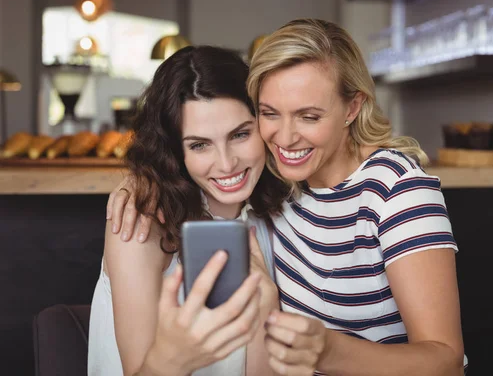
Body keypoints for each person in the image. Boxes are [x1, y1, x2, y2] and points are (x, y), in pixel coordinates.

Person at [110, 19, 467, 376]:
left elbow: (446, 362)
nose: (285, 138)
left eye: (309, 116)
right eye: (269, 114)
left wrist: (327, 351)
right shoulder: (281, 182)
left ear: (353, 107)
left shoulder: (394, 190)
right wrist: (143, 178)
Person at [88, 45, 287, 376]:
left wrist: (265, 312)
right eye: (199, 144)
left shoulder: (276, 211)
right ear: (174, 151)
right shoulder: (142, 223)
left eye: (240, 134)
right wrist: (176, 355)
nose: (226, 164)